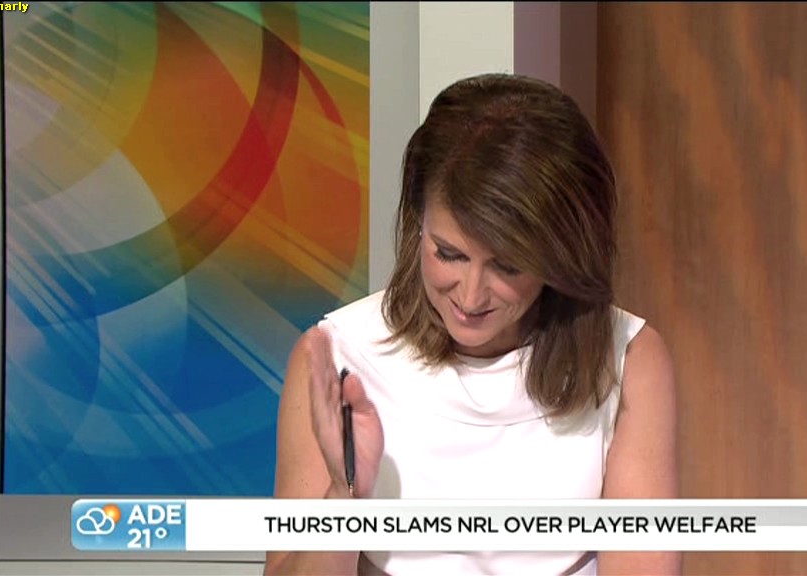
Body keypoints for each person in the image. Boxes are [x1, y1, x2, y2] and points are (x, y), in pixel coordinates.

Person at [264, 73, 680, 576]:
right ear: (418, 223)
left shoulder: (629, 360)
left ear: (561, 254)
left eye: (508, 266)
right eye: (449, 254)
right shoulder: (336, 356)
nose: (470, 296)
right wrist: (344, 496)